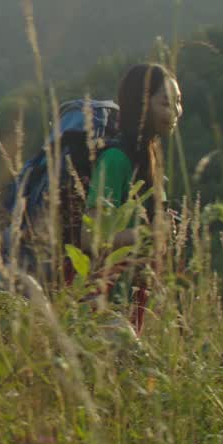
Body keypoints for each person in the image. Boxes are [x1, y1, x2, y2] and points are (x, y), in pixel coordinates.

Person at [82, 63, 182, 331]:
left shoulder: (147, 159)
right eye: (166, 103)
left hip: (124, 303)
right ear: (142, 104)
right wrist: (147, 234)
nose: (175, 112)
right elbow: (90, 237)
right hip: (96, 304)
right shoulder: (116, 160)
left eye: (178, 102)